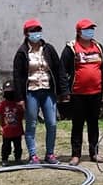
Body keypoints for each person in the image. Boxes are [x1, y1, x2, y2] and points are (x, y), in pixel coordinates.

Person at [12, 18, 69, 165]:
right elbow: (17, 76)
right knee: (31, 124)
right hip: (31, 91)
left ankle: (50, 154)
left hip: (48, 91)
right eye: (32, 31)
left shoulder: (48, 49)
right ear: (26, 34)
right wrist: (19, 97)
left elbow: (59, 69)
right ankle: (33, 155)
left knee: (52, 123)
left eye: (38, 30)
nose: (36, 33)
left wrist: (64, 91)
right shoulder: (22, 52)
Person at [61, 18, 103, 165]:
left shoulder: (98, 47)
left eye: (92, 28)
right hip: (78, 93)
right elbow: (62, 70)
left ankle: (94, 152)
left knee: (93, 124)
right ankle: (76, 155)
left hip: (96, 93)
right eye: (87, 29)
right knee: (77, 124)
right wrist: (64, 91)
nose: (90, 31)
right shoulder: (71, 48)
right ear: (79, 32)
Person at [0, 81, 25, 166]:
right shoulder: (2, 104)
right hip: (7, 130)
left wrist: (21, 105)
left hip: (17, 130)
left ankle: (18, 158)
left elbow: (23, 112)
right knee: (6, 146)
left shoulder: (18, 104)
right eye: (7, 92)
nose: (9, 94)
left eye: (11, 92)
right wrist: (0, 127)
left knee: (18, 146)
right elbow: (0, 116)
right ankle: (5, 159)